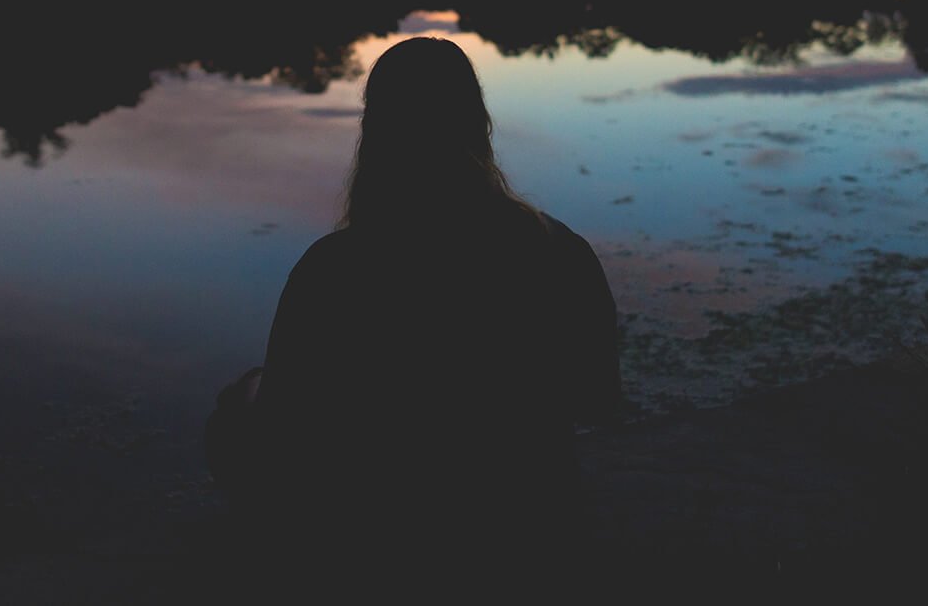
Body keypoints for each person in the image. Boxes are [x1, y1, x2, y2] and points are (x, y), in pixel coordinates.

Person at [203, 36, 622, 588]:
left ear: (376, 131)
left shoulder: (333, 269)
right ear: (478, 123)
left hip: (386, 537)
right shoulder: (559, 248)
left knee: (237, 407)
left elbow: (285, 427)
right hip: (528, 519)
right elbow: (599, 399)